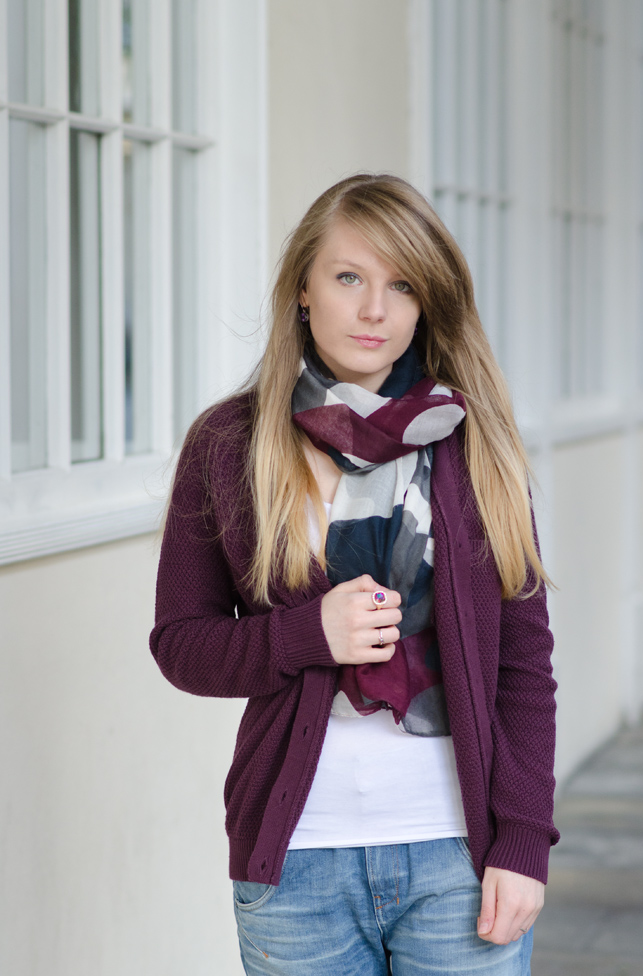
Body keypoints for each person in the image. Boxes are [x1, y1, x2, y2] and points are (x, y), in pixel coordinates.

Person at [150, 173, 558, 975]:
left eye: (401, 285)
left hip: (458, 857)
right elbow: (182, 644)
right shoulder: (231, 444)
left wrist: (523, 841)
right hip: (299, 862)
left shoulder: (475, 444)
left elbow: (523, 661)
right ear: (303, 289)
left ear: (426, 304)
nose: (375, 310)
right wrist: (309, 634)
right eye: (349, 278)